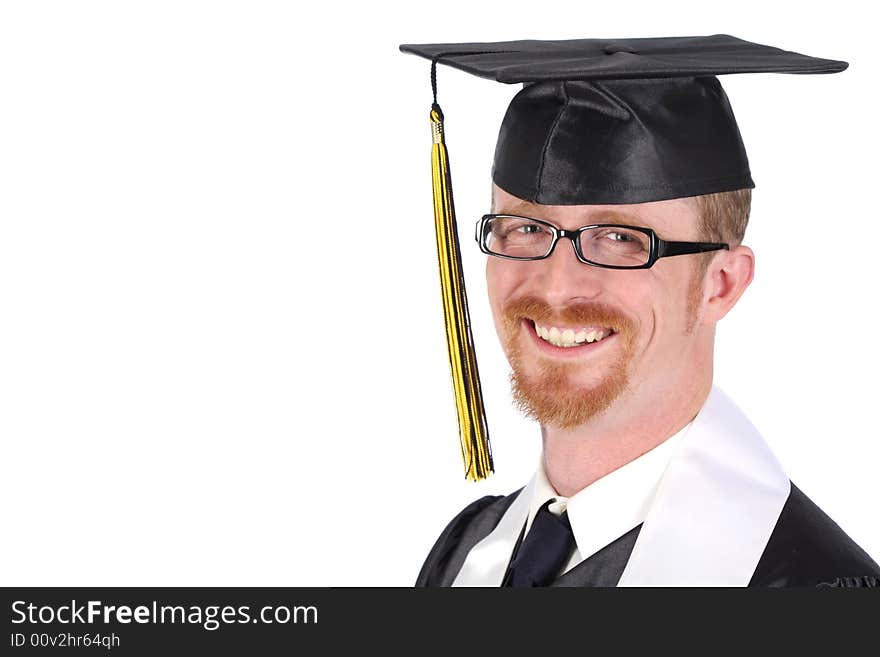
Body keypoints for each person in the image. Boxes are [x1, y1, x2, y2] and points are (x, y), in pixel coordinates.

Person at [400, 36, 880, 587]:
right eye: (527, 229)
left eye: (620, 238)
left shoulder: (808, 591)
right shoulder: (468, 553)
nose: (558, 285)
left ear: (720, 284)